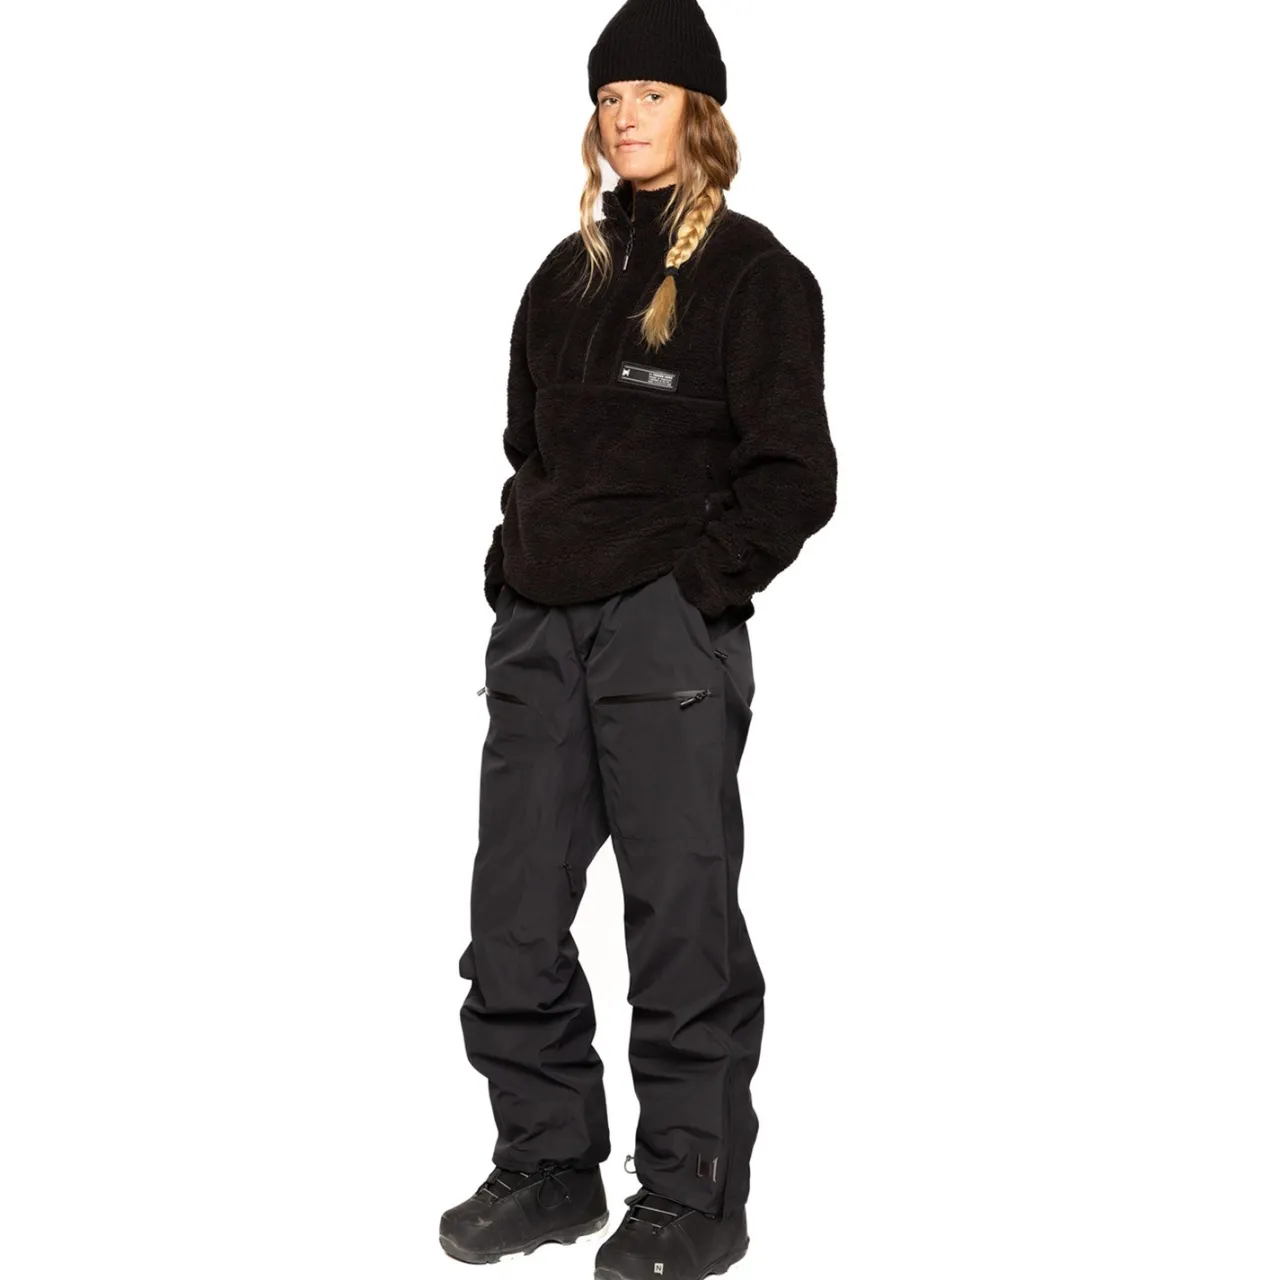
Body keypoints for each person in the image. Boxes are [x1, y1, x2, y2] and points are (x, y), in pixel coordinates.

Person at [440, 2, 837, 1276]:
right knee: (510, 916)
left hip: (662, 638)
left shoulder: (757, 278)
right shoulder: (563, 277)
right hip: (540, 628)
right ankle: (551, 1161)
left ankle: (689, 1196)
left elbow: (793, 474)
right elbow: (530, 448)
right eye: (609, 96)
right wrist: (514, 564)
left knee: (678, 920)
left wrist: (692, 589)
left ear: (698, 113)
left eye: (650, 94)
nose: (624, 115)